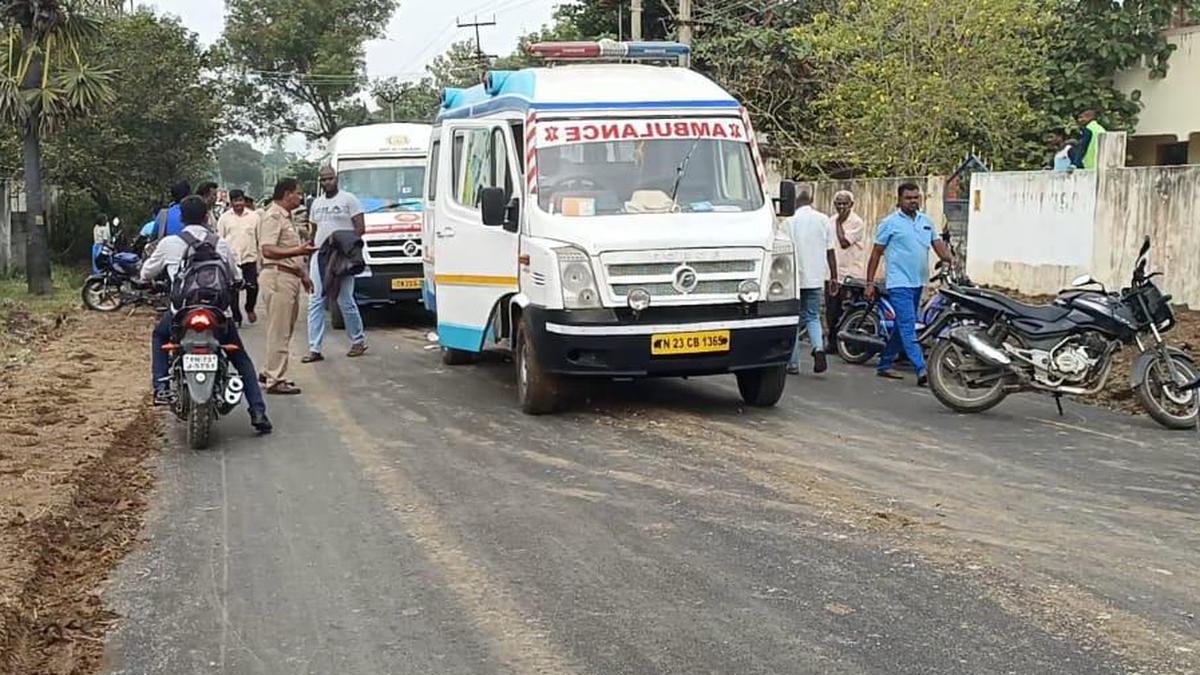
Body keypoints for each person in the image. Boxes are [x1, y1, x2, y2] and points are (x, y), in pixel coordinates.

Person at [139, 195, 272, 434]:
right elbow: (236, 276)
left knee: (159, 337)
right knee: (241, 360)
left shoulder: (170, 243)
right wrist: (240, 283)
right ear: (206, 216)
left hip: (181, 313)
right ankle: (258, 411)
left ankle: (160, 387)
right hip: (218, 314)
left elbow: (145, 273)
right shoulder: (219, 243)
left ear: (181, 218)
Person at [865, 183, 953, 386]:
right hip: (898, 282)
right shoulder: (890, 223)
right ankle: (923, 369)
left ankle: (884, 364)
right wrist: (870, 282)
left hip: (918, 282)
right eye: (908, 198)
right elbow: (876, 253)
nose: (913, 201)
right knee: (907, 325)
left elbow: (937, 244)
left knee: (902, 325)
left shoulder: (926, 221)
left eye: (916, 197)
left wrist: (949, 259)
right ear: (899, 199)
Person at [303, 165, 367, 363]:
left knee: (344, 300)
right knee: (315, 301)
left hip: (341, 257)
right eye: (323, 179)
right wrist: (308, 251)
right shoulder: (316, 204)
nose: (327, 182)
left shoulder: (349, 200)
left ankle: (358, 340)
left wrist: (343, 242)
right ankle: (315, 348)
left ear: (336, 179)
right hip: (320, 256)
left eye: (330, 178)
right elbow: (313, 231)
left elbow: (360, 228)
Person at [258, 177, 315, 395]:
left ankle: (269, 370)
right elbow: (268, 250)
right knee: (279, 331)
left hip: (289, 276)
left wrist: (302, 274)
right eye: (297, 193)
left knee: (285, 329)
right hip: (277, 277)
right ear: (286, 194)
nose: (300, 197)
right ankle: (275, 379)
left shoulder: (287, 217)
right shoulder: (273, 216)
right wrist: (299, 251)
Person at [784, 190, 838, 375]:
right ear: (812, 201)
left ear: (795, 202)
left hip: (795, 278)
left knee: (793, 320)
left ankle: (792, 363)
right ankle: (818, 348)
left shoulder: (789, 222)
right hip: (816, 277)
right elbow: (830, 251)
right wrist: (834, 277)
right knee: (813, 316)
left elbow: (784, 251)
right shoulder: (824, 220)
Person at [826, 190, 867, 348]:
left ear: (851, 205)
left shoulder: (856, 222)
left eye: (844, 203)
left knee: (847, 309)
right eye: (838, 203)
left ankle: (846, 342)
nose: (841, 207)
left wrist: (838, 223)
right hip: (832, 273)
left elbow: (844, 242)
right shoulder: (830, 220)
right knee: (831, 309)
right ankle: (831, 341)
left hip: (850, 274)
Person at [217, 189, 261, 326]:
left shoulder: (254, 217)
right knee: (232, 291)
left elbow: (260, 239)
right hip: (232, 261)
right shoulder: (224, 218)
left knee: (253, 287)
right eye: (235, 201)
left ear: (244, 201)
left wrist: (261, 261)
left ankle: (249, 308)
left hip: (250, 259)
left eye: (240, 200)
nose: (238, 204)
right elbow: (220, 240)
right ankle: (237, 317)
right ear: (231, 202)